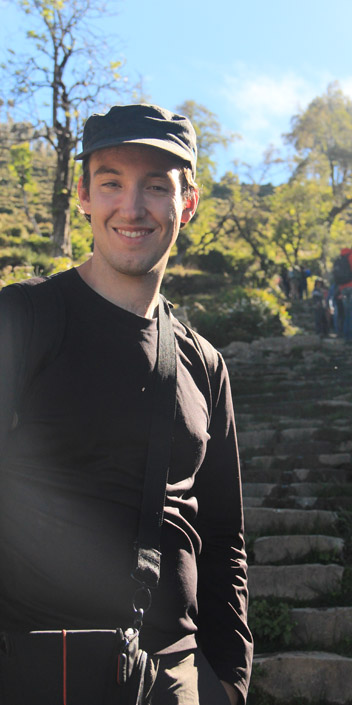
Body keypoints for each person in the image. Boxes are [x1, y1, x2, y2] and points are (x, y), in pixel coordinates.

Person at [0, 104, 252, 704]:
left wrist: (229, 684)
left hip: (175, 675)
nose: (132, 207)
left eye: (156, 187)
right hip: (40, 666)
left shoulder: (205, 363)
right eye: (111, 182)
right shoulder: (23, 319)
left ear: (186, 205)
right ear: (83, 195)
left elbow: (224, 537)